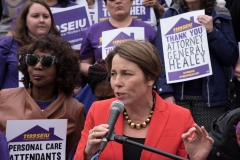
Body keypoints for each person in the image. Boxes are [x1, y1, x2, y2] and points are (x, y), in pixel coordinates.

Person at [74, 40, 211, 160]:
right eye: (113, 74)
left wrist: (196, 159)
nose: (117, 82)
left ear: (150, 78)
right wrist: (87, 153)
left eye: (126, 74)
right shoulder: (97, 110)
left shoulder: (180, 117)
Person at [155, 0, 238, 131]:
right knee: (178, 146)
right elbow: (160, 57)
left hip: (211, 100)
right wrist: (166, 93)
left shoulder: (220, 14)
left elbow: (230, 57)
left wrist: (212, 32)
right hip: (178, 97)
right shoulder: (170, 15)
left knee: (210, 145)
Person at [0, 34, 86, 159]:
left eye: (46, 61)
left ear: (61, 68)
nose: (37, 66)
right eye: (32, 60)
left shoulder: (75, 109)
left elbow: (76, 154)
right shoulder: (4, 98)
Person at [0, 0, 60, 90]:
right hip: (11, 102)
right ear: (24, 20)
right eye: (35, 16)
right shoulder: (7, 44)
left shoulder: (59, 47)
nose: (42, 20)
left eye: (46, 16)